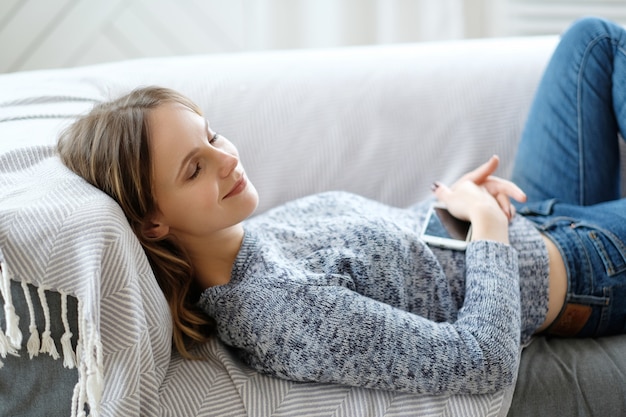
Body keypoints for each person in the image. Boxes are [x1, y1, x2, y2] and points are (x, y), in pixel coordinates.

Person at [57, 16, 626, 396]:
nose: (225, 159)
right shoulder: (282, 314)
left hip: (534, 215)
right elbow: (482, 360)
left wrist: (461, 201)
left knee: (593, 43)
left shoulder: (247, 236)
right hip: (582, 268)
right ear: (151, 222)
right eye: (194, 168)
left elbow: (401, 263)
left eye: (212, 136)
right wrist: (489, 229)